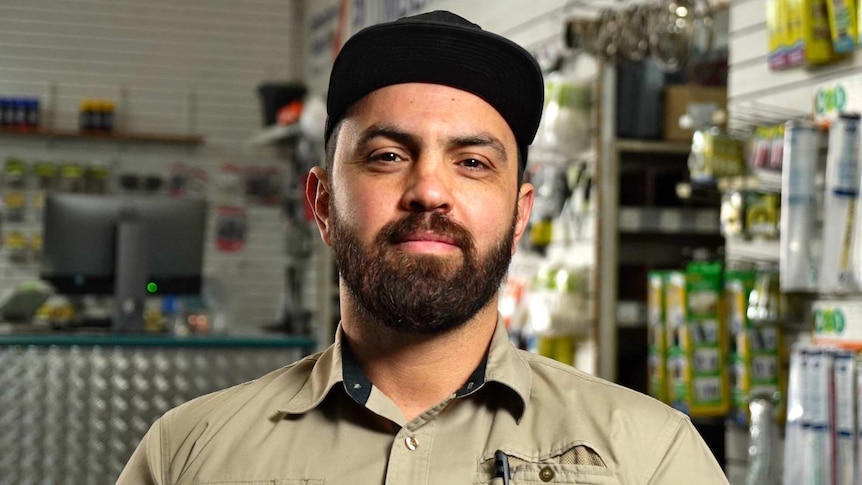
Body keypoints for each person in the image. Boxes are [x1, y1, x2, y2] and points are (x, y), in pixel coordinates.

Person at [118, 10, 729, 484]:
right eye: (388, 156)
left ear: (519, 216)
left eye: (472, 162)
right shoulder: (188, 455)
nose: (430, 190)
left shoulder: (651, 457)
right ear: (323, 203)